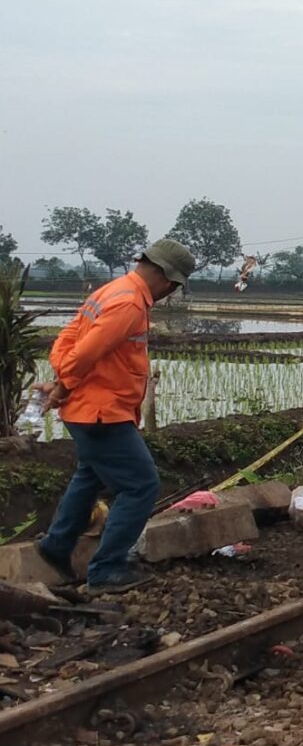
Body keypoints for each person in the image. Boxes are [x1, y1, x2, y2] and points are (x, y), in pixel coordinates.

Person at [33, 240, 196, 595]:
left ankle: (57, 545)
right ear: (168, 281)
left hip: (89, 410)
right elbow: (85, 352)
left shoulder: (111, 291)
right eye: (175, 286)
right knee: (141, 485)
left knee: (89, 475)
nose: (171, 293)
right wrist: (63, 386)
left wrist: (63, 381)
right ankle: (107, 568)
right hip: (101, 412)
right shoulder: (129, 303)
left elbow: (67, 339)